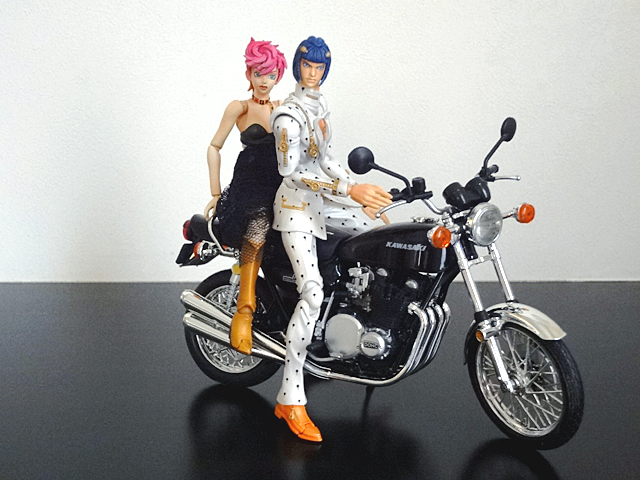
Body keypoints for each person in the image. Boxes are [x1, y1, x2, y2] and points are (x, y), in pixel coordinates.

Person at [270, 36, 392, 442]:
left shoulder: (319, 106)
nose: (313, 73)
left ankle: (370, 338)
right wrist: (350, 192)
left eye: (320, 67)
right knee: (312, 293)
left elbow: (327, 159)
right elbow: (292, 174)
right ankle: (290, 397)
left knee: (381, 237)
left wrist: (360, 192)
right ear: (297, 66)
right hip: (295, 209)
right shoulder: (287, 117)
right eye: (308, 65)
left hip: (323, 203)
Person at [205, 38, 287, 355]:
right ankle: (244, 311)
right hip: (250, 184)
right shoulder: (239, 108)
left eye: (271, 75)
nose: (264, 81)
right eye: (258, 73)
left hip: (279, 181)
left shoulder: (282, 108)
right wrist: (215, 192)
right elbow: (214, 147)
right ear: (248, 74)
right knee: (257, 229)